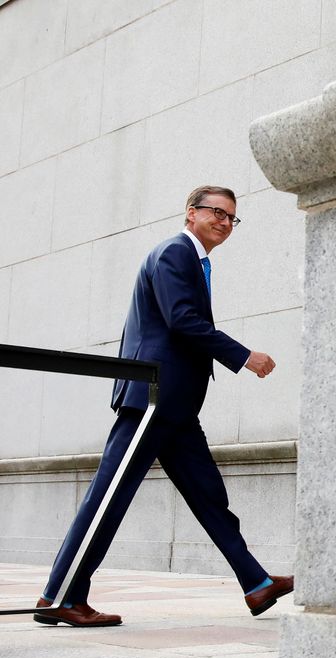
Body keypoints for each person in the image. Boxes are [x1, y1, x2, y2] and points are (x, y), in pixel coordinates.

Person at [33, 186, 293, 626]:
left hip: (176, 406)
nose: (225, 222)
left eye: (232, 217)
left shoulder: (193, 259)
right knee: (108, 497)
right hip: (151, 400)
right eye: (216, 212)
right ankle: (61, 597)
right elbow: (182, 320)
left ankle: (256, 584)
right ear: (191, 213)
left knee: (210, 497)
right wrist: (243, 356)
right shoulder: (175, 252)